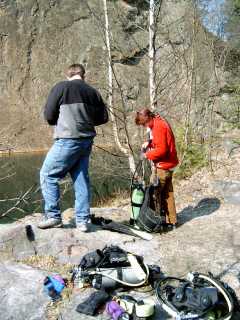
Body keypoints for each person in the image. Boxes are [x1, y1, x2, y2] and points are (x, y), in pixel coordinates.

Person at [38, 64, 108, 231]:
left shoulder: (62, 87)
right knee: (80, 178)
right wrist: (87, 120)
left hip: (68, 139)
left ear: (68, 74)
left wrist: (62, 121)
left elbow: (48, 115)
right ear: (84, 75)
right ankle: (83, 221)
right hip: (86, 141)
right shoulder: (93, 92)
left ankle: (53, 216)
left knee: (47, 174)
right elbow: (103, 117)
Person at [135, 108, 178, 229]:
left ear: (148, 118)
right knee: (167, 193)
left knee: (154, 193)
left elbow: (162, 149)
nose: (144, 126)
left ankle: (153, 221)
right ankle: (172, 221)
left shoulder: (158, 127)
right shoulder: (159, 122)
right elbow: (160, 142)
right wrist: (149, 142)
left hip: (163, 166)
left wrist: (146, 154)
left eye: (143, 124)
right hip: (170, 163)